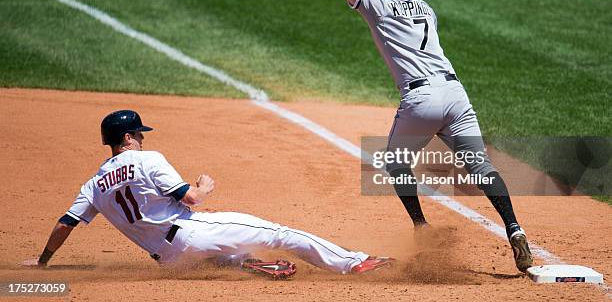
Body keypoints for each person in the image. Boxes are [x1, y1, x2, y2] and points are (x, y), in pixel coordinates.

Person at [304, 0, 533, 272]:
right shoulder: (427, 9)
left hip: (421, 100)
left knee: (395, 163)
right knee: (481, 168)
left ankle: (422, 229)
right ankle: (515, 229)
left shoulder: (381, 6)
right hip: (455, 94)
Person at [22, 110, 392, 276]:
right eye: (139, 133)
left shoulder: (94, 185)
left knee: (219, 252)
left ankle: (244, 263)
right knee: (280, 233)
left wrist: (43, 261)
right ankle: (354, 262)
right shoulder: (147, 159)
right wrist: (203, 185)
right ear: (127, 138)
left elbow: (65, 224)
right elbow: (192, 200)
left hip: (167, 259)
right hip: (191, 233)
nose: (143, 138)